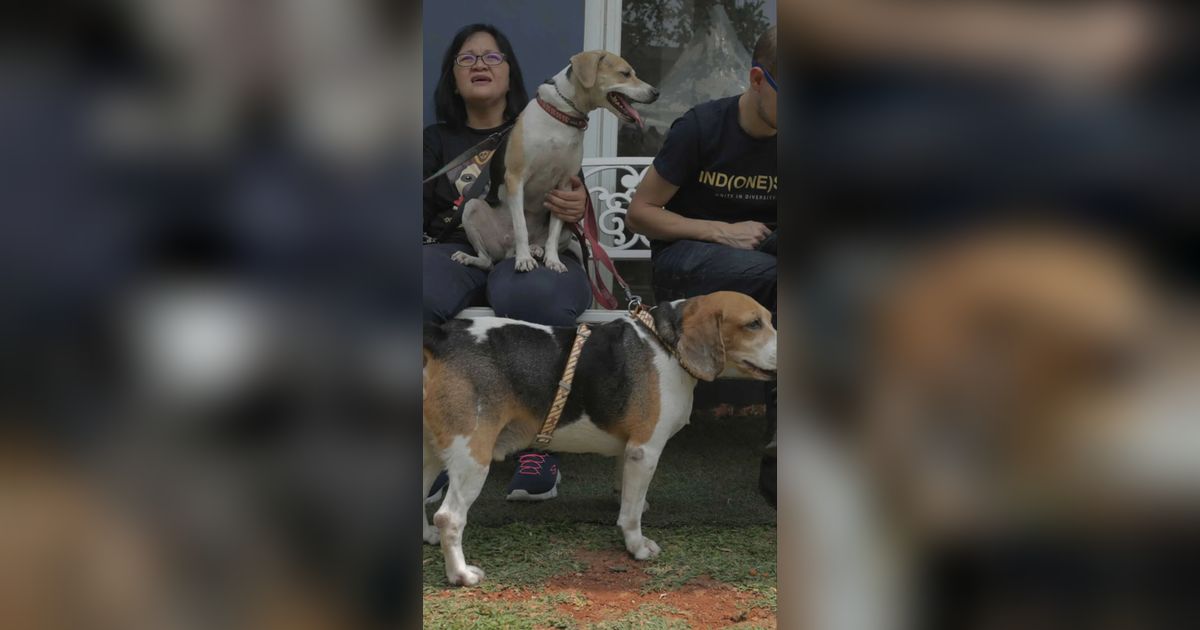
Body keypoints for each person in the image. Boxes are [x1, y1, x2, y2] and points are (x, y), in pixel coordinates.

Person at [423, 24, 591, 501]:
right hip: (453, 248)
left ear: (510, 71)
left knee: (534, 295)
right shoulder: (433, 140)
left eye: (492, 57)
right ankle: (434, 446)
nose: (479, 64)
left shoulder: (545, 122)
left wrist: (577, 205)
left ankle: (539, 445)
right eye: (466, 58)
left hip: (535, 245)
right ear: (452, 77)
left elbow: (572, 193)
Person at [628, 26, 778, 505]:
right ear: (758, 79)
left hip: (764, 265)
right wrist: (718, 229)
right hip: (687, 268)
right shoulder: (701, 127)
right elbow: (641, 213)